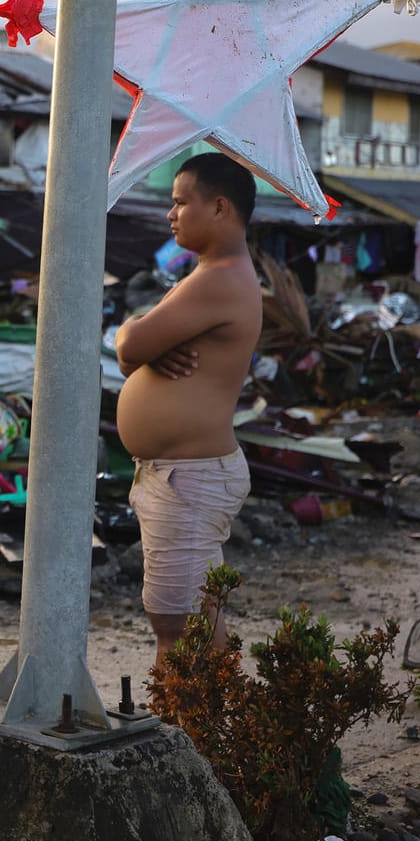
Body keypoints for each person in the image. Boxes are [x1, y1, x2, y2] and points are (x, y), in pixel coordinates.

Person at [111, 152, 261, 666]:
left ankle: (200, 735)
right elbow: (136, 343)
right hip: (181, 472)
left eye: (179, 203)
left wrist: (137, 336)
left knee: (184, 620)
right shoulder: (211, 276)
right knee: (181, 618)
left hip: (191, 475)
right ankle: (187, 728)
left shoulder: (220, 278)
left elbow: (130, 347)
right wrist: (140, 337)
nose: (170, 214)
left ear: (219, 208)